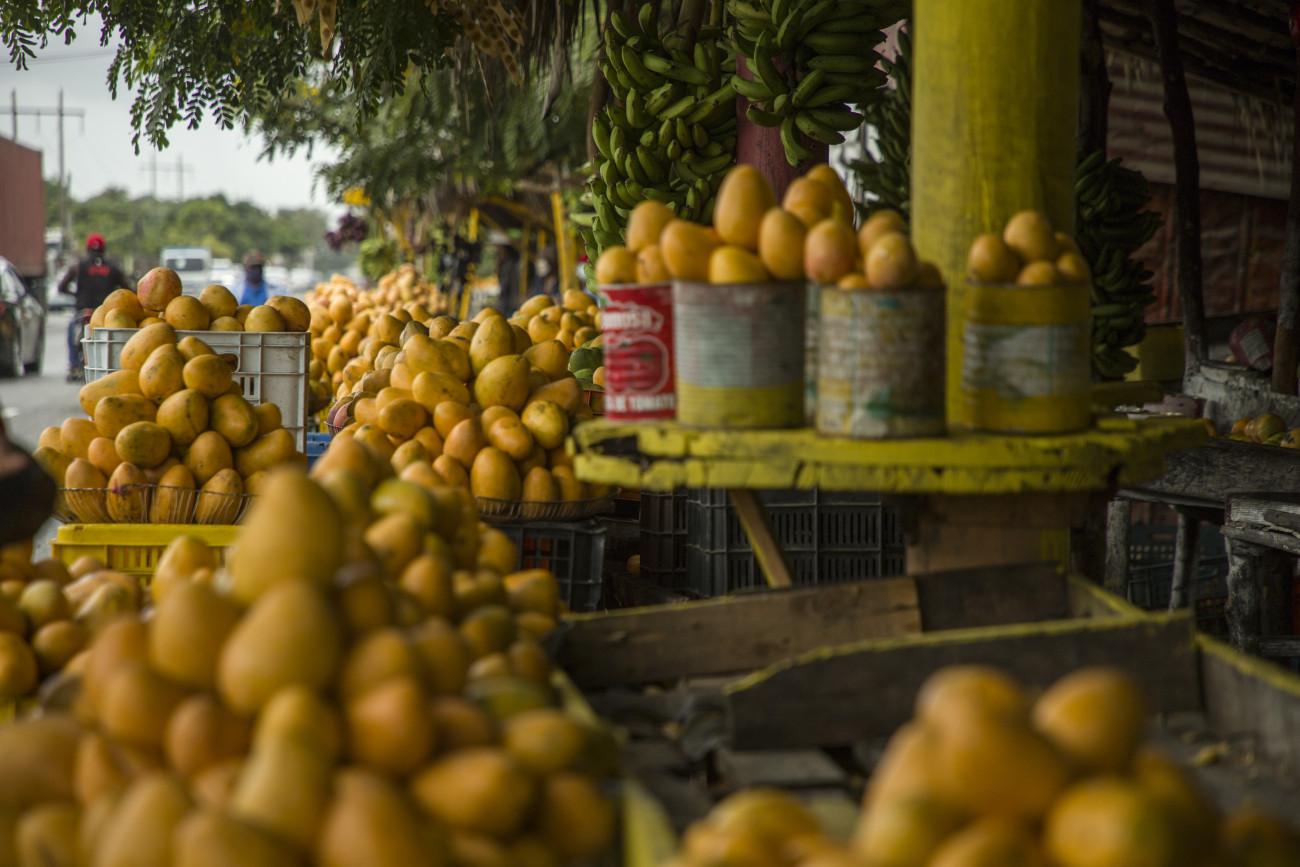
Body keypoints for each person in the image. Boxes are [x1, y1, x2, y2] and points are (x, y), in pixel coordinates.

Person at [57, 233, 132, 381]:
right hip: (106, 313)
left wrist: (74, 294)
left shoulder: (77, 267)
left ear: (87, 249)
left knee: (72, 332)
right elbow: (127, 290)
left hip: (83, 311)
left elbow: (61, 287)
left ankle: (74, 367)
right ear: (103, 250)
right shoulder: (114, 269)